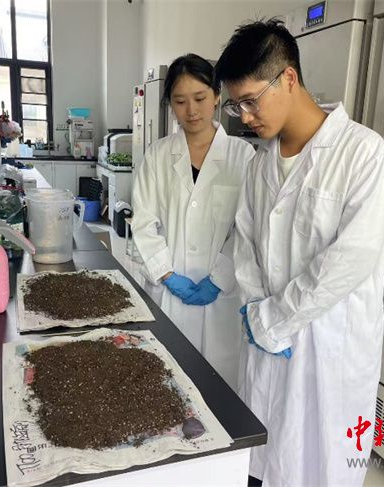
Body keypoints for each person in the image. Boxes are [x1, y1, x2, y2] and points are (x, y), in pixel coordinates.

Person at [215, 19, 384, 486]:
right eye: (236, 106)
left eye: (251, 100)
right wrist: (258, 311)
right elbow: (246, 245)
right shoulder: (260, 165)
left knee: (318, 465)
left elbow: (349, 260)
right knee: (262, 463)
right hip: (266, 342)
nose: (245, 117)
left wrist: (276, 318)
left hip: (328, 351)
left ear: (289, 78)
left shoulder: (363, 154)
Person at [131, 53, 255, 390]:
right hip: (168, 290)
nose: (191, 110)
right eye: (180, 101)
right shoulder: (158, 155)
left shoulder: (243, 157)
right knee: (165, 385)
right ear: (170, 105)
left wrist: (219, 278)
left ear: (216, 96)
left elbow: (247, 228)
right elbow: (143, 221)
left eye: (200, 98)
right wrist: (166, 274)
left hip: (221, 298)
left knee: (218, 388)